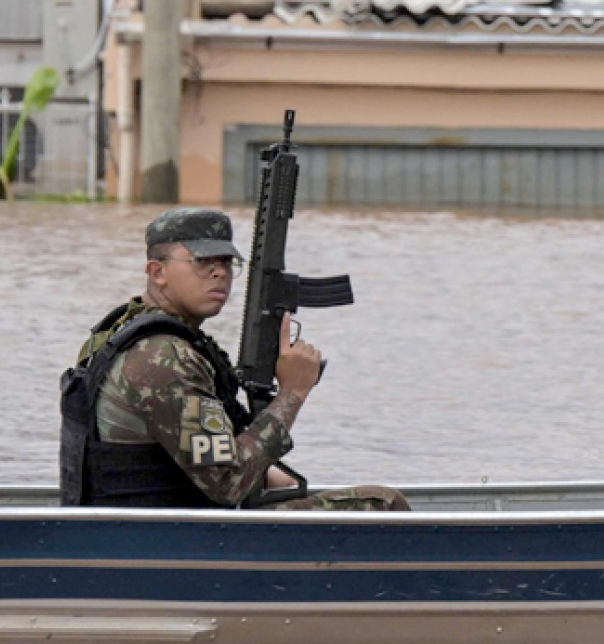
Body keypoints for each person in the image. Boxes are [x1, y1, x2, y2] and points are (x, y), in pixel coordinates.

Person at [59, 208, 409, 511]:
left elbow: (200, 454)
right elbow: (228, 483)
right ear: (157, 272)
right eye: (202, 262)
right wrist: (292, 393)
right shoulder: (162, 358)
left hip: (154, 528)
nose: (220, 273)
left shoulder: (135, 333)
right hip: (175, 540)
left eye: (226, 262)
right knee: (384, 505)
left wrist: (263, 466)